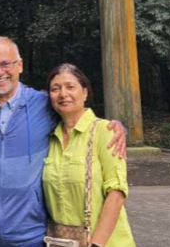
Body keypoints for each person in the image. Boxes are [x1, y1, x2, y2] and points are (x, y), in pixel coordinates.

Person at [0, 37, 127, 247]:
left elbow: (76, 112)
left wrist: (116, 126)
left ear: (19, 65)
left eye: (5, 64)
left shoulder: (43, 104)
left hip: (32, 236)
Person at [42, 64, 135, 247]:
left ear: (84, 93)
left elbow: (116, 194)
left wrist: (96, 244)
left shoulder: (105, 131)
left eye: (70, 87)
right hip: (61, 240)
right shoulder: (49, 139)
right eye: (55, 89)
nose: (63, 94)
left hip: (105, 243)